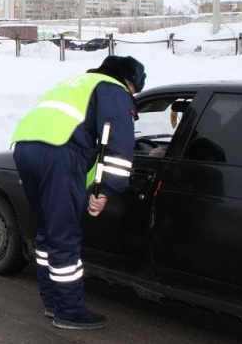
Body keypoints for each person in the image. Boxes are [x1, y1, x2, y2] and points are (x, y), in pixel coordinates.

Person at [10, 55, 146, 330]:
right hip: (59, 153)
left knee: (47, 231)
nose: (131, 97)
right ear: (130, 81)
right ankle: (69, 312)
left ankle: (52, 302)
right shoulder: (113, 90)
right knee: (64, 234)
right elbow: (118, 146)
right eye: (133, 92)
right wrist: (106, 190)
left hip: (25, 147)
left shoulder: (77, 83)